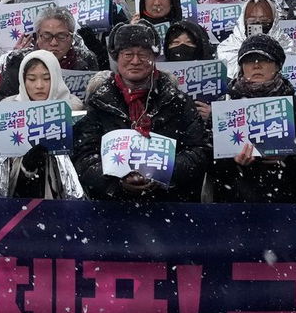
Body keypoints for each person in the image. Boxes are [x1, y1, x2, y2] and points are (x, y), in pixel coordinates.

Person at [73, 22, 208, 202]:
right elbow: (84, 156)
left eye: (143, 55)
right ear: (116, 57)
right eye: (128, 54)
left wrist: (162, 174)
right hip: (112, 208)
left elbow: (198, 151)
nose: (135, 61)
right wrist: (116, 182)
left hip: (171, 204)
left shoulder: (177, 100)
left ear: (154, 57)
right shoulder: (99, 103)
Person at [211, 35, 296, 204]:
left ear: (277, 65)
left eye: (264, 59)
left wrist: (288, 157)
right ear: (241, 67)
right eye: (249, 60)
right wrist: (233, 162)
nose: (256, 65)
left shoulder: (294, 104)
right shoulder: (226, 103)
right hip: (236, 199)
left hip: (287, 199)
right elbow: (209, 157)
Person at [0, 49, 86, 199]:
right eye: (31, 79)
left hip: (64, 202)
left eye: (46, 78)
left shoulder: (74, 111)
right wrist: (27, 167)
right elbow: (3, 172)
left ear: (56, 78)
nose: (39, 85)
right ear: (23, 81)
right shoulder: (10, 112)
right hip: (23, 200)